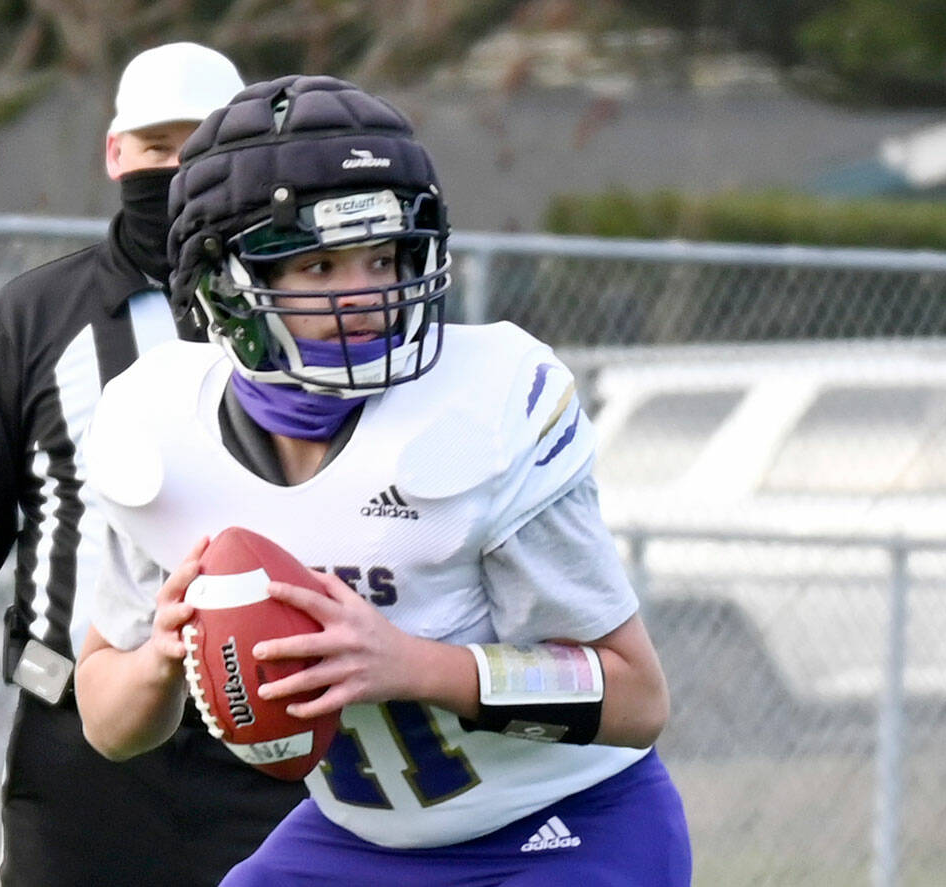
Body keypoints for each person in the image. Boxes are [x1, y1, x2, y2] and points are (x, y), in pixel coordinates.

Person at [75, 74, 692, 886]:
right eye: (320, 264)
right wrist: (160, 656)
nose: (365, 293)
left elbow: (637, 696)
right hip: (360, 842)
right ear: (225, 282)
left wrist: (413, 664)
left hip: (562, 826)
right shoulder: (155, 430)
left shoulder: (485, 405)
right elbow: (108, 723)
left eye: (384, 255)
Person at [0, 44, 306, 886]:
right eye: (157, 147)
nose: (177, 166)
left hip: (274, 736)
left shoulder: (309, 310)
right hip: (77, 735)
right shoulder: (34, 317)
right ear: (115, 154)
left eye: (200, 146)